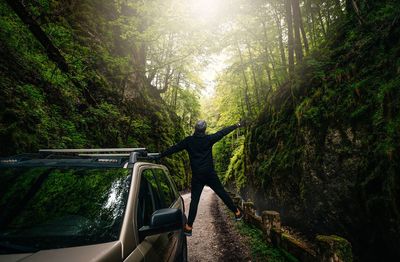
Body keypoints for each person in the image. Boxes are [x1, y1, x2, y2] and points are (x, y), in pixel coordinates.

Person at [158, 119, 246, 236]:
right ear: (204, 130)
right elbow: (222, 132)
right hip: (210, 174)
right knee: (222, 193)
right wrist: (236, 125)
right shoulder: (208, 139)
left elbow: (174, 148)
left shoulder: (189, 141)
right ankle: (237, 212)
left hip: (197, 176)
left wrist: (160, 155)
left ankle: (189, 227)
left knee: (194, 201)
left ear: (195, 128)